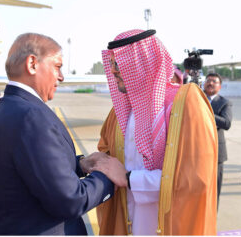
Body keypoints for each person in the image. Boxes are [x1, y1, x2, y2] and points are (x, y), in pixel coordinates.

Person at [0, 33, 126, 235]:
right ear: (32, 64)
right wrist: (108, 176)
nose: (61, 76)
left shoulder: (10, 107)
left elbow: (32, 168)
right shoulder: (30, 116)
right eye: (57, 66)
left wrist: (80, 165)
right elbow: (70, 201)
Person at [93, 29, 218, 235]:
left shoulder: (184, 105)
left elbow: (195, 178)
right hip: (126, 222)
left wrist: (130, 179)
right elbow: (107, 156)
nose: (113, 71)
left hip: (169, 224)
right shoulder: (119, 113)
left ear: (140, 64)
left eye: (118, 63)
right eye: (112, 63)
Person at [203, 72, 233, 206]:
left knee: (214, 192)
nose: (210, 83)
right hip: (197, 153)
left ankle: (212, 223)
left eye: (214, 81)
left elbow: (226, 123)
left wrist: (206, 111)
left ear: (219, 86)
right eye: (208, 80)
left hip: (216, 153)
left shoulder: (225, 103)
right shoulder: (197, 98)